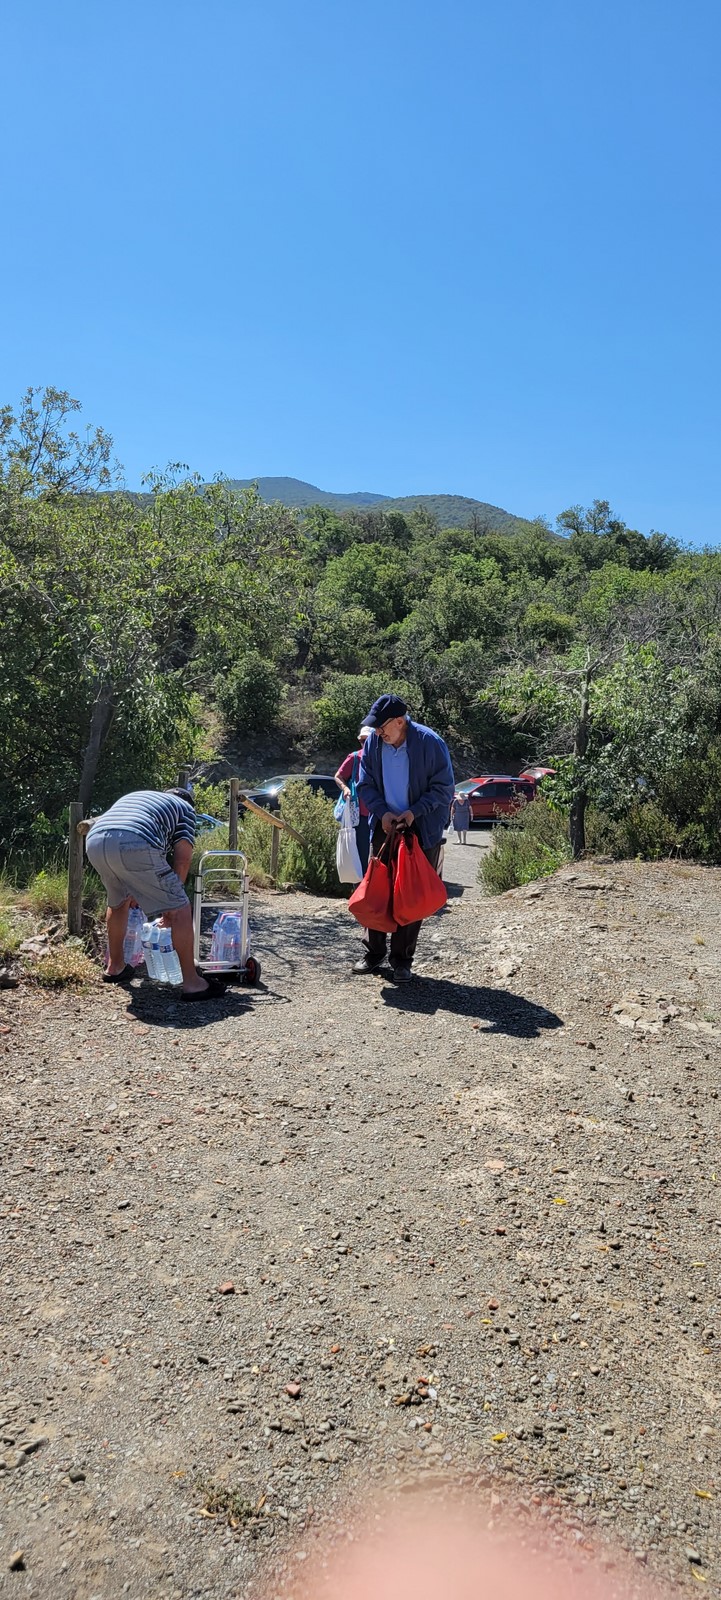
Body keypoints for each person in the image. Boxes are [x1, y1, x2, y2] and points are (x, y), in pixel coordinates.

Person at [85, 786, 225, 1002]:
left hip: (95, 841)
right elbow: (182, 859)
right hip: (134, 839)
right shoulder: (185, 808)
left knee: (118, 903)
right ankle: (193, 983)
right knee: (181, 908)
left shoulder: (139, 797)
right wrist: (171, 906)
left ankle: (115, 967)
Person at [354, 694, 455, 983]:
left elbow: (443, 788)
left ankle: (402, 960)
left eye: (382, 726)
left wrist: (414, 812)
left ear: (399, 721)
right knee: (377, 889)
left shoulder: (430, 742)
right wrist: (383, 812)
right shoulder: (374, 743)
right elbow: (365, 784)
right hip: (384, 827)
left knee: (410, 895)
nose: (378, 732)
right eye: (375, 727)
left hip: (420, 828)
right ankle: (374, 953)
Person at [334, 725, 373, 873]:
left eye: (368, 740)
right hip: (359, 816)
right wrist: (345, 788)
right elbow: (338, 776)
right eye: (362, 741)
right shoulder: (355, 757)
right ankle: (359, 886)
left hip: (379, 815)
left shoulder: (383, 758)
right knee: (360, 856)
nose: (365, 744)